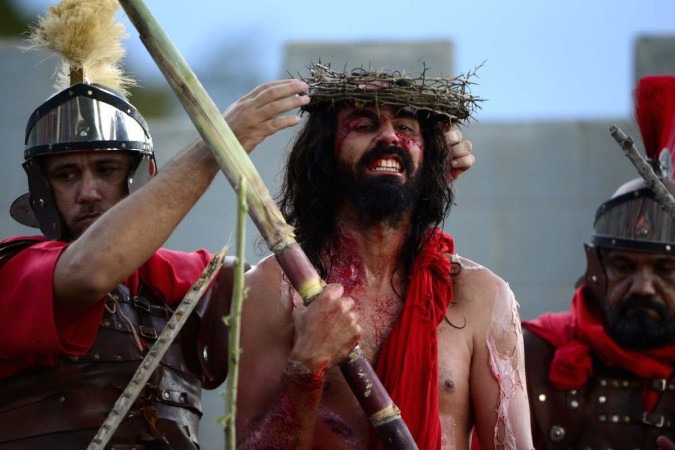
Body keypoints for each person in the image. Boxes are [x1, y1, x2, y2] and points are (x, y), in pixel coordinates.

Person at [0, 1, 313, 447]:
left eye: (106, 170)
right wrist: (217, 145)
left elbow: (305, 295)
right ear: (44, 190)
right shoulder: (15, 271)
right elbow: (90, 271)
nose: (88, 191)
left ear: (136, 179)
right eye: (67, 175)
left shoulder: (180, 276)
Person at [235, 64, 533, 449]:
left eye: (406, 128)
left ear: (428, 157)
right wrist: (305, 367)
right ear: (325, 153)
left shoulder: (481, 297)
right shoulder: (270, 291)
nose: (390, 136)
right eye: (363, 124)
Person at [523, 75, 675, 450]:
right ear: (597, 269)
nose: (643, 287)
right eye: (623, 267)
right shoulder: (534, 354)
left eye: (666, 270)